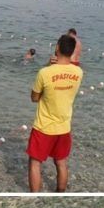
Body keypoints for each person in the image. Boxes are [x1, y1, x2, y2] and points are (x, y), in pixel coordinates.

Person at [27, 34, 83, 192]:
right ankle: (60, 192)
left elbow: (34, 98)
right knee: (61, 162)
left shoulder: (44, 72)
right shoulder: (78, 72)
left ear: (57, 48)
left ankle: (35, 196)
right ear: (72, 51)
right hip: (64, 126)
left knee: (35, 162)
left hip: (44, 126)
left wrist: (48, 65)